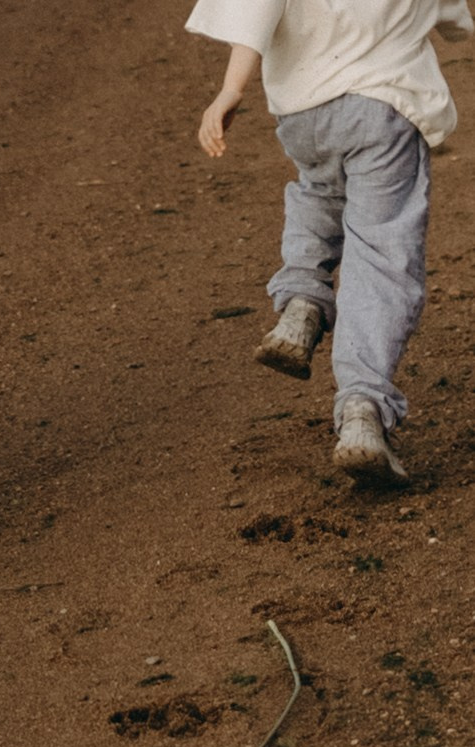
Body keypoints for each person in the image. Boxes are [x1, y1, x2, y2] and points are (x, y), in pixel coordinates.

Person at [187, 0, 473, 485]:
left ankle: (301, 304)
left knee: (318, 194)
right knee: (381, 255)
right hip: (387, 107)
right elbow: (456, 20)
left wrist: (229, 91)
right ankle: (363, 410)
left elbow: (254, 10)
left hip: (305, 111)